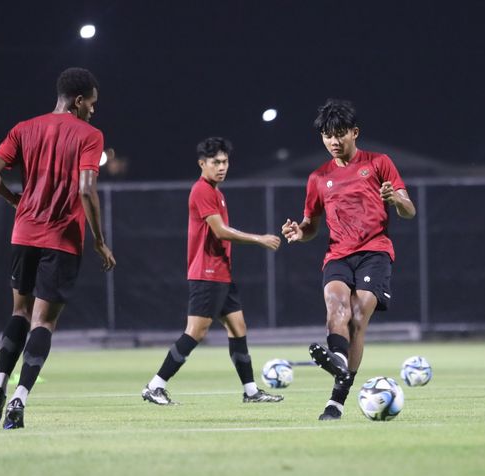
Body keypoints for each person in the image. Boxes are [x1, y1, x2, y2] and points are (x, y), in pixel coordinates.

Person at [0, 67, 116, 429]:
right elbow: (87, 190)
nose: (93, 110)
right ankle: (19, 400)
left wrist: (15, 201)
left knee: (19, 313)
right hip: (62, 239)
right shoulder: (90, 135)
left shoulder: (24, 128)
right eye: (91, 103)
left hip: (24, 234)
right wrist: (100, 242)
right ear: (78, 100)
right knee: (45, 321)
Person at [281, 99, 416, 420]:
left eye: (340, 134)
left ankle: (336, 399)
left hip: (375, 253)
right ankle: (339, 367)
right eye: (328, 136)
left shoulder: (380, 163)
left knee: (356, 317)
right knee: (336, 307)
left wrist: (396, 198)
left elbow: (409, 211)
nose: (334, 142)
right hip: (338, 255)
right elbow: (311, 225)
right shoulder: (317, 178)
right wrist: (300, 232)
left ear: (355, 133)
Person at [141, 137, 284, 406]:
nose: (222, 167)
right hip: (206, 273)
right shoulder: (202, 190)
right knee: (196, 331)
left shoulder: (217, 193)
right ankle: (154, 386)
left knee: (238, 327)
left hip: (221, 273)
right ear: (202, 164)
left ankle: (251, 392)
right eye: (215, 162)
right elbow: (220, 232)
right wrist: (259, 239)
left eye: (225, 161)